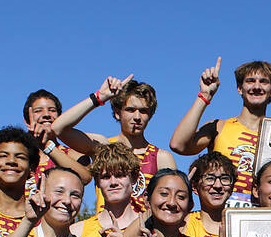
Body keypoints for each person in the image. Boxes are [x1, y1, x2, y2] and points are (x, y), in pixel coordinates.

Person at [52, 77, 177, 211]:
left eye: (143, 111)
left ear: (150, 115)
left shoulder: (161, 157)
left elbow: (173, 203)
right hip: (105, 229)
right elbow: (59, 129)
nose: (137, 117)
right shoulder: (103, 146)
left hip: (144, 230)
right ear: (118, 113)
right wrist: (99, 97)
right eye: (130, 109)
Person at [170, 58, 271, 208]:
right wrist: (205, 95)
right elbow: (178, 145)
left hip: (261, 219)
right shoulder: (219, 127)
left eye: (263, 81)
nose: (256, 86)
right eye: (250, 81)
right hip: (220, 217)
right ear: (239, 88)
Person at [184, 153, 237, 237]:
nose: (218, 185)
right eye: (210, 178)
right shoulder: (183, 224)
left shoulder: (241, 226)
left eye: (225, 178)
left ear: (232, 187)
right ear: (195, 186)